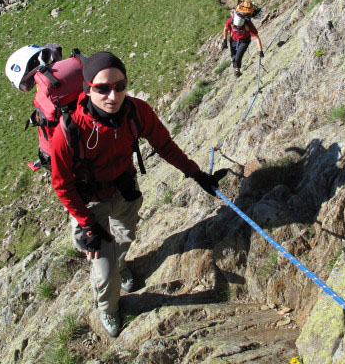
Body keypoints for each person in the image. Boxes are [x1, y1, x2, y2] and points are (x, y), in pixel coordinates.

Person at [49, 51, 228, 337]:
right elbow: (61, 183)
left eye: (120, 86)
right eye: (102, 88)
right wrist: (85, 223)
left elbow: (164, 145)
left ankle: (121, 265)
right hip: (89, 203)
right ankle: (108, 308)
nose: (113, 95)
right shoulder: (69, 131)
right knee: (103, 270)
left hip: (124, 190)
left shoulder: (136, 112)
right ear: (87, 88)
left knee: (125, 238)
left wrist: (195, 173)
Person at [223, 1, 264, 77]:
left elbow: (257, 38)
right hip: (233, 39)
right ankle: (237, 69)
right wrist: (224, 40)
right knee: (234, 56)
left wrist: (260, 51)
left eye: (239, 27)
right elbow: (225, 29)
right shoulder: (231, 21)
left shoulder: (248, 24)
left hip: (244, 41)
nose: (238, 27)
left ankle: (237, 71)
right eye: (236, 27)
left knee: (238, 56)